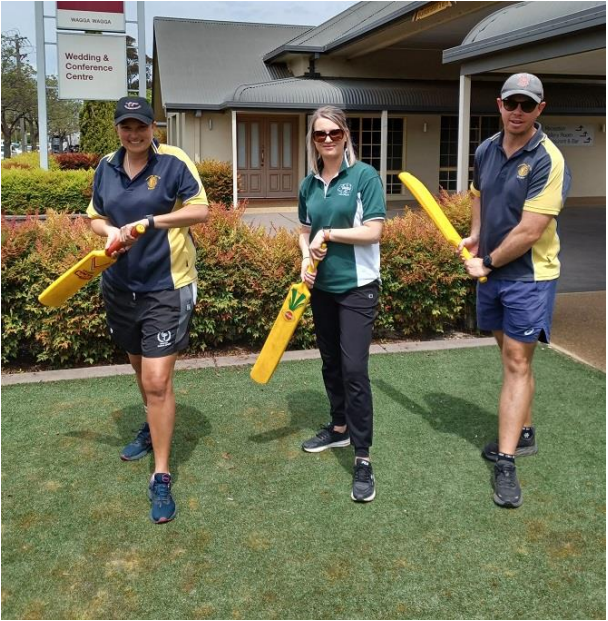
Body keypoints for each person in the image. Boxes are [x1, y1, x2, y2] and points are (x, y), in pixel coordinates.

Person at [87, 96, 209, 523]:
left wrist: (153, 222)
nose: (134, 134)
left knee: (158, 380)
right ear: (118, 128)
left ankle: (161, 474)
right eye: (126, 127)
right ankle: (150, 423)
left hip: (166, 286)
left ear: (153, 127)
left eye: (141, 126)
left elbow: (202, 210)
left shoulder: (174, 162)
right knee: (141, 371)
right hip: (120, 285)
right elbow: (96, 217)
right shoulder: (106, 165)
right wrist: (112, 232)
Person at [458, 73, 571, 509]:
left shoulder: (548, 158)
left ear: (540, 109)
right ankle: (523, 432)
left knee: (517, 362)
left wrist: (485, 260)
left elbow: (530, 230)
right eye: (512, 103)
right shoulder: (486, 149)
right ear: (499, 104)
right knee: (509, 354)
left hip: (529, 276)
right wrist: (475, 236)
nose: (518, 112)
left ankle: (506, 462)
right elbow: (478, 196)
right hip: (494, 273)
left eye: (528, 105)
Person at [298, 106, 386, 502]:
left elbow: (374, 232)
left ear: (346, 135)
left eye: (334, 132)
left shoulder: (364, 177)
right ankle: (338, 428)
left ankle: (363, 456)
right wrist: (304, 259)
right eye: (320, 134)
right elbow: (304, 231)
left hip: (358, 287)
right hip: (322, 288)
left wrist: (329, 234)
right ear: (313, 140)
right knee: (331, 362)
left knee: (354, 368)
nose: (328, 139)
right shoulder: (309, 184)